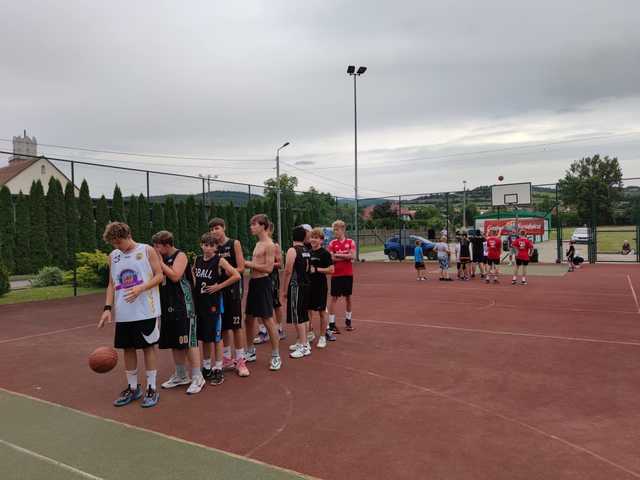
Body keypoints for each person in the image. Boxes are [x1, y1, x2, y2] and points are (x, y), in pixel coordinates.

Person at [98, 222, 163, 408]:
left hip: (146, 310)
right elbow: (111, 284)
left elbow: (159, 276)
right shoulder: (113, 256)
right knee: (128, 348)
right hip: (124, 312)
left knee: (148, 348)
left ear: (128, 236)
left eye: (118, 242)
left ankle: (151, 387)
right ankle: (133, 388)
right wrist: (107, 308)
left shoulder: (147, 250)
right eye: (114, 243)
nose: (117, 246)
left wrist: (141, 287)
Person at [151, 231, 205, 395]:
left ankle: (197, 376)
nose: (155, 249)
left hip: (184, 304)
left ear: (167, 245)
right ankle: (181, 375)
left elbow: (175, 276)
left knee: (190, 340)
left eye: (158, 246)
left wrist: (160, 263)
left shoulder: (180, 255)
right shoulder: (160, 258)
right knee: (175, 341)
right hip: (167, 304)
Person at [193, 232, 242, 386]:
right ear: (201, 245)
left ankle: (219, 367)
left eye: (212, 246)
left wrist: (218, 286)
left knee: (216, 337)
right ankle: (207, 366)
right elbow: (195, 278)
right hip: (200, 303)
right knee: (205, 337)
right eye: (205, 245)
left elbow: (236, 275)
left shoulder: (219, 260)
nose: (208, 248)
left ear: (216, 247)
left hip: (214, 304)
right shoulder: (198, 260)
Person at [209, 218, 250, 377]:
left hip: (232, 289)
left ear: (224, 228)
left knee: (236, 325)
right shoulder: (212, 247)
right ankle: (226, 358)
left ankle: (240, 360)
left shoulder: (234, 243)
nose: (214, 231)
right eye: (211, 229)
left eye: (217, 228)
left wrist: (228, 271)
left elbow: (241, 268)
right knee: (223, 326)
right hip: (217, 291)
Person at [244, 214, 281, 371]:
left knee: (267, 319)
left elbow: (268, 268)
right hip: (253, 283)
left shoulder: (269, 244)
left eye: (254, 224)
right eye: (251, 224)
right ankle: (250, 351)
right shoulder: (258, 243)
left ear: (263, 226)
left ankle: (276, 356)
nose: (251, 227)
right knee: (248, 319)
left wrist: (247, 263)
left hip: (263, 283)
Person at [283, 226, 313, 358]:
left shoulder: (292, 250)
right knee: (304, 315)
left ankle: (304, 345)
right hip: (306, 285)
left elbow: (288, 270)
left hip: (296, 286)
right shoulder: (306, 250)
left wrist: (284, 290)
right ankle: (303, 341)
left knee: (298, 315)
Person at [254, 222, 286, 344]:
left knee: (275, 303)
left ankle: (279, 329)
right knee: (259, 304)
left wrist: (267, 265)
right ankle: (263, 331)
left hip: (271, 277)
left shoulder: (274, 245)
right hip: (259, 277)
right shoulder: (259, 244)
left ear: (269, 231)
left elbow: (280, 264)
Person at [308, 228, 335, 346]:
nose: (313, 239)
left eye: (316, 237)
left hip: (320, 287)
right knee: (307, 310)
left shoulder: (325, 253)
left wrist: (317, 269)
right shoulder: (307, 252)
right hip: (308, 286)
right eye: (312, 237)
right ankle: (310, 333)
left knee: (321, 312)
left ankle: (323, 337)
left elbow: (331, 270)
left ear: (321, 240)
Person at [328, 220, 356, 332]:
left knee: (348, 298)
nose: (335, 232)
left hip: (348, 274)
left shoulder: (351, 242)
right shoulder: (332, 243)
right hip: (336, 274)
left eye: (337, 229)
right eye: (334, 230)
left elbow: (353, 256)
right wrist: (345, 255)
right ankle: (332, 324)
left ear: (343, 230)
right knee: (334, 298)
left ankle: (348, 322)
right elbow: (331, 258)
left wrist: (338, 254)